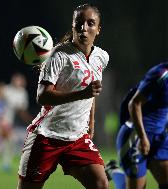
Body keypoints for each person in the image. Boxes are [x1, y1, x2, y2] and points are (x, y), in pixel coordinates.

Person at [17, 3, 109, 189]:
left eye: (90, 23)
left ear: (98, 30)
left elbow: (92, 93)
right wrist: (82, 93)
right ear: (73, 26)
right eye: (79, 23)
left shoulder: (102, 57)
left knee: (101, 184)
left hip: (77, 138)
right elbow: (43, 96)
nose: (84, 28)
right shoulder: (58, 55)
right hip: (46, 137)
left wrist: (90, 124)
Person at [106, 32, 168, 189]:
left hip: (159, 137)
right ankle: (114, 170)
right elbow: (134, 104)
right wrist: (143, 137)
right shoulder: (160, 75)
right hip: (135, 135)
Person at [0, 72, 33, 171]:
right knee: (10, 140)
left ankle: (6, 163)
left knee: (9, 141)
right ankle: (5, 163)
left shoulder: (22, 92)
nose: (21, 82)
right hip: (3, 119)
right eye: (19, 80)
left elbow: (21, 109)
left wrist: (30, 121)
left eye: (21, 80)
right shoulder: (7, 90)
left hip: (11, 121)